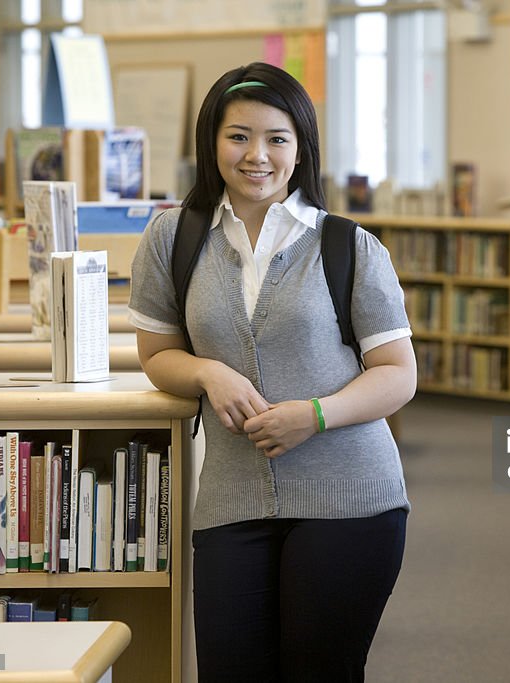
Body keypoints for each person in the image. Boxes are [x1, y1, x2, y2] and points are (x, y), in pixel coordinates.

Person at [128, 62, 416, 682]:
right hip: (231, 499)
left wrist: (315, 415)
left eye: (276, 138)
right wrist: (209, 374)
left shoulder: (349, 245)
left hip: (352, 498)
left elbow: (397, 373)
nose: (256, 155)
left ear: (300, 148)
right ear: (212, 143)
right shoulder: (172, 238)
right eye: (238, 136)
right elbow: (158, 356)